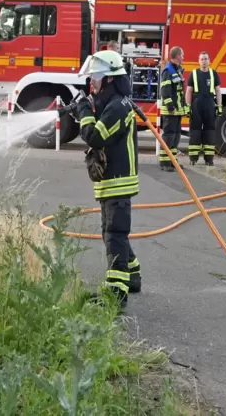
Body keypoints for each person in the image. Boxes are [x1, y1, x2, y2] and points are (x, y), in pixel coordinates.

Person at [72, 49, 141, 309]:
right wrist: (86, 107)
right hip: (112, 181)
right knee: (112, 233)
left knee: (114, 235)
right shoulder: (113, 102)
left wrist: (83, 109)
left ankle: (116, 293)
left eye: (97, 77)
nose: (92, 82)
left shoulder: (118, 108)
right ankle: (132, 276)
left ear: (111, 78)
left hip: (118, 181)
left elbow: (95, 136)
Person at [185, 51, 222, 166]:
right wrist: (188, 106)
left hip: (210, 104)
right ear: (198, 61)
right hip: (196, 104)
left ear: (209, 61)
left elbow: (218, 90)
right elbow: (189, 91)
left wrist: (219, 106)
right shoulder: (194, 73)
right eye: (201, 59)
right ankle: (193, 158)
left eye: (206, 59)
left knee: (209, 131)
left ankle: (209, 159)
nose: (204, 61)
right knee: (195, 131)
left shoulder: (214, 73)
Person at [159, 46, 188, 171]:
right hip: (170, 111)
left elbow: (180, 92)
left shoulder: (177, 70)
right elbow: (165, 90)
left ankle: (172, 161)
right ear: (177, 56)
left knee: (176, 136)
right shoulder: (168, 71)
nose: (183, 57)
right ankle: (165, 163)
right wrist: (170, 106)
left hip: (177, 111)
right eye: (182, 55)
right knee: (169, 136)